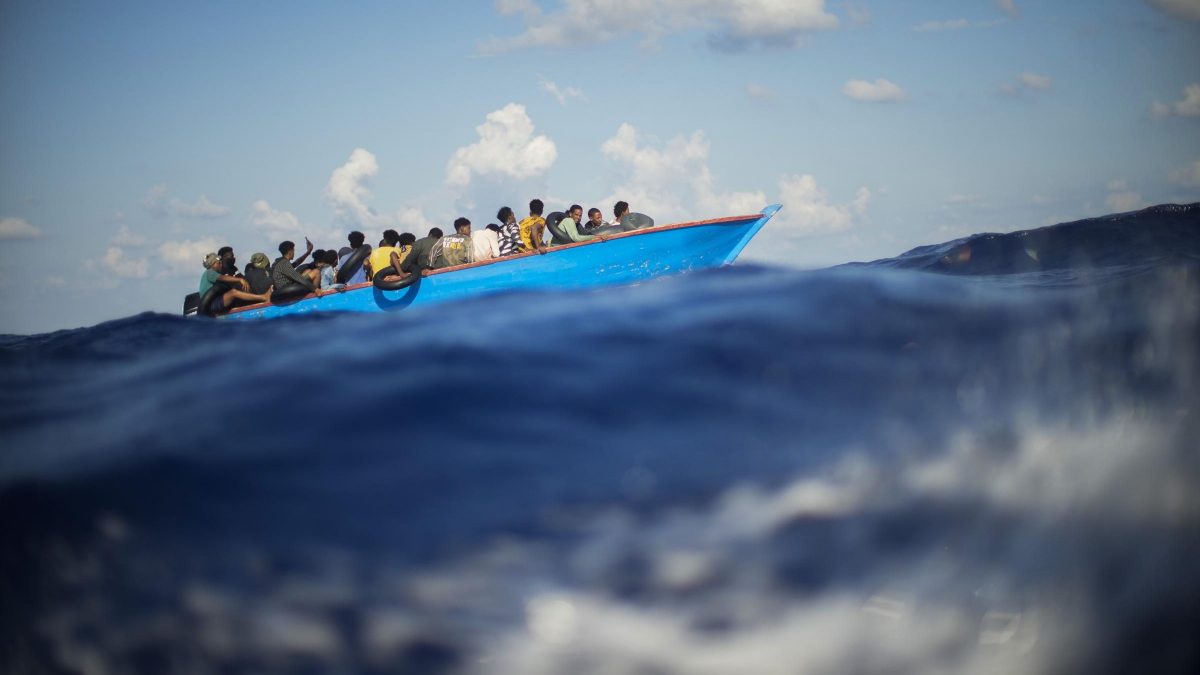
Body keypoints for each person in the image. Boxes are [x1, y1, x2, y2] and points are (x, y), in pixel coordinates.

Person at [199, 253, 270, 314]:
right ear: (213, 264)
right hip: (212, 304)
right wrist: (240, 280)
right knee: (233, 293)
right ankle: (263, 297)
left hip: (216, 301)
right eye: (218, 263)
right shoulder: (209, 272)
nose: (221, 264)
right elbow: (223, 277)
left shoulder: (212, 275)